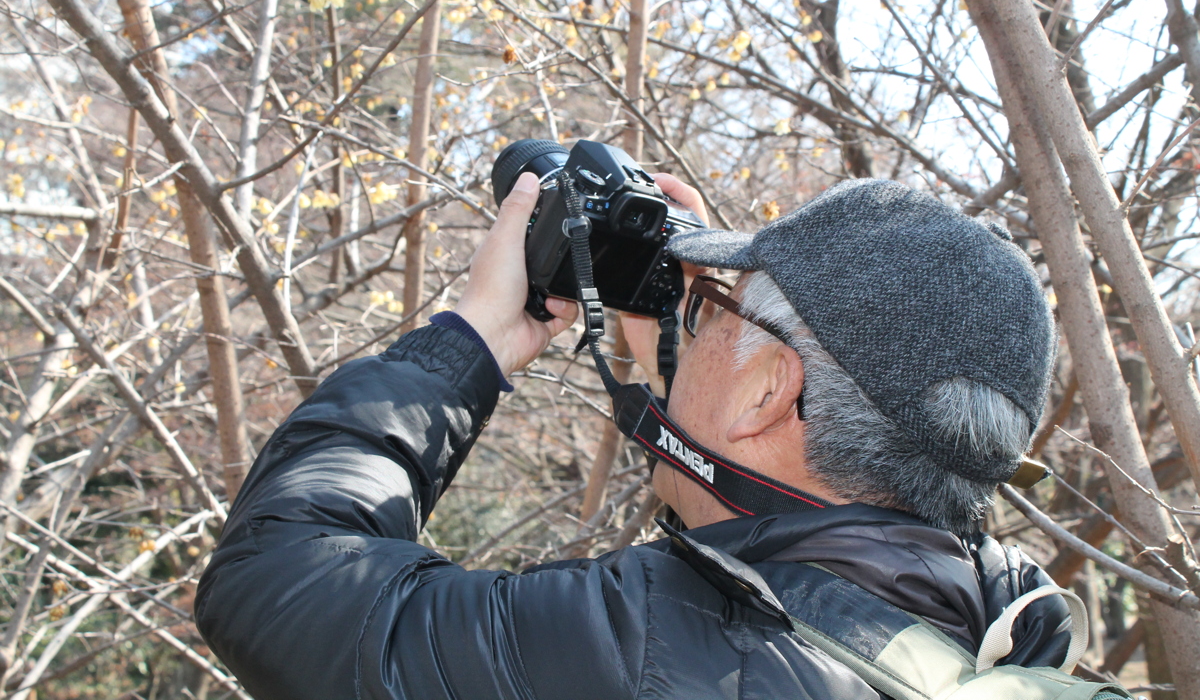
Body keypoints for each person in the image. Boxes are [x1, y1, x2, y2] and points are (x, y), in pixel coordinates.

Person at [195, 174, 1072, 700]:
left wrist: (473, 341)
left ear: (769, 392)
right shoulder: (1001, 650)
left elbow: (276, 580)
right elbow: (788, 575)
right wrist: (697, 374)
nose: (688, 324)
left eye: (707, 309)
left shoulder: (642, 648)